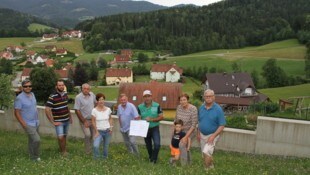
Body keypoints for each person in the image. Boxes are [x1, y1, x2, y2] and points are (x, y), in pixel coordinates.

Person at [198, 89, 226, 170]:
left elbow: (222, 125)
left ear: (214, 97)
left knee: (206, 152)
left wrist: (213, 136)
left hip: (213, 134)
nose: (208, 98)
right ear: (204, 97)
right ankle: (211, 166)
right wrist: (198, 132)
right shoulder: (201, 108)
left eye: (210, 96)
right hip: (202, 134)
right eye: (206, 96)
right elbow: (200, 121)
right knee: (205, 154)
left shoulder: (218, 109)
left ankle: (206, 169)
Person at [14, 79, 41, 161]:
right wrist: (23, 124)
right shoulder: (19, 98)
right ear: (22, 87)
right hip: (27, 123)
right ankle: (35, 157)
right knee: (37, 140)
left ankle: (31, 155)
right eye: (26, 86)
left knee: (31, 140)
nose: (28, 88)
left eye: (30, 86)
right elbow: (16, 112)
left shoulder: (32, 94)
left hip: (36, 122)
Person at [45, 79, 72, 156]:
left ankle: (63, 149)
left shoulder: (65, 94)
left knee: (64, 136)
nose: (61, 86)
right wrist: (52, 122)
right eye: (59, 85)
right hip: (59, 121)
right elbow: (47, 109)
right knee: (60, 137)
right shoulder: (52, 96)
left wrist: (70, 117)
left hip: (66, 120)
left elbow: (67, 107)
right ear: (56, 86)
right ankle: (63, 152)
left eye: (62, 85)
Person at [138, 90, 164, 164]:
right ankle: (151, 158)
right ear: (143, 98)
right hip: (145, 129)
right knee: (148, 146)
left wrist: (152, 119)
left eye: (148, 96)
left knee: (157, 145)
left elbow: (161, 117)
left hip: (154, 128)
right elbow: (139, 117)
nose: (147, 98)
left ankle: (153, 160)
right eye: (145, 96)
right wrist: (138, 120)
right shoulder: (140, 107)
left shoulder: (157, 105)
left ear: (151, 96)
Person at [175, 93, 198, 165]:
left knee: (182, 145)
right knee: (182, 146)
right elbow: (175, 120)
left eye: (184, 100)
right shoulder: (178, 107)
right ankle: (189, 162)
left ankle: (184, 165)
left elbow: (193, 125)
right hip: (180, 130)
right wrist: (174, 131)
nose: (182, 102)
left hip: (191, 131)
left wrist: (186, 137)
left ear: (187, 100)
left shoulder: (193, 109)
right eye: (181, 100)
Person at [74, 83, 96, 154]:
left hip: (92, 119)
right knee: (87, 135)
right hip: (84, 120)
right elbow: (77, 110)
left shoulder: (92, 94)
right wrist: (84, 121)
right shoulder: (78, 97)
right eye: (84, 88)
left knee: (93, 136)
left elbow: (96, 103)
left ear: (89, 89)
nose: (86, 90)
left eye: (88, 89)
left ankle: (93, 150)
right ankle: (88, 151)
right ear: (82, 89)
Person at [91, 93, 113, 159]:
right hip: (99, 131)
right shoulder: (94, 110)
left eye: (103, 99)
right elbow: (93, 121)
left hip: (107, 131)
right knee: (95, 146)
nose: (101, 101)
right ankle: (97, 158)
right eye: (100, 100)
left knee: (106, 146)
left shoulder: (108, 109)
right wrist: (96, 131)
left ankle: (105, 157)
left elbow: (110, 118)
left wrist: (111, 128)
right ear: (97, 101)